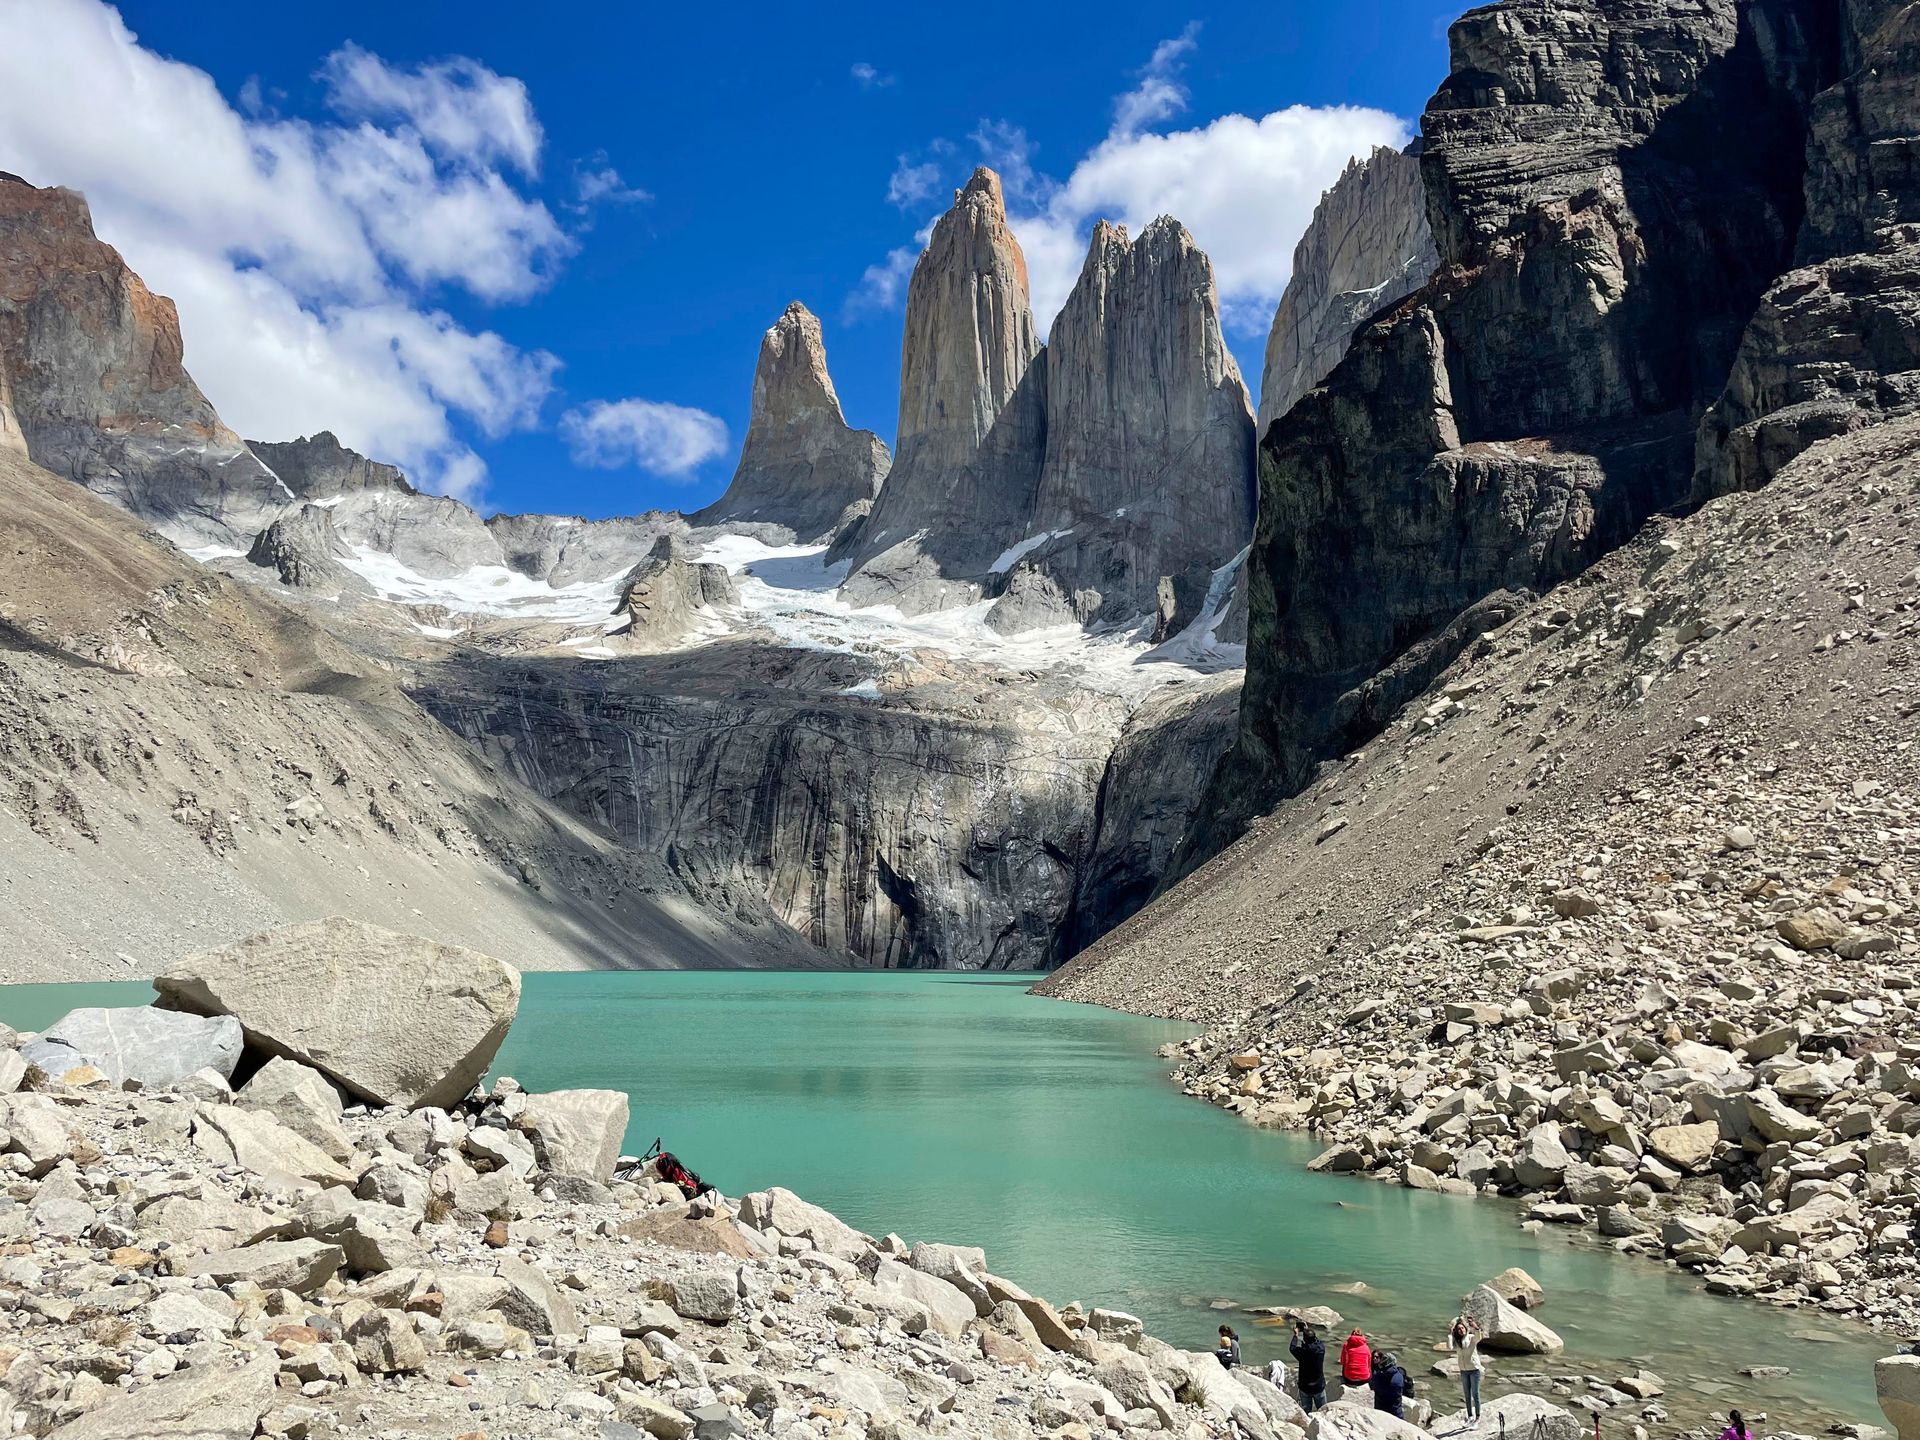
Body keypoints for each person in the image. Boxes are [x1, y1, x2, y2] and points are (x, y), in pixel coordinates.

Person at [1450, 1313, 1485, 1426]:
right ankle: (1470, 1416)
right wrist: (1451, 1333)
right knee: (1467, 1395)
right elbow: (1449, 1346)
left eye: (1462, 1328)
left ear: (1465, 1329)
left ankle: (1478, 1418)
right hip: (1464, 1371)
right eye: (1458, 1329)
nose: (1461, 1330)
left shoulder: (1471, 1338)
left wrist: (1475, 1327)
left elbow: (1479, 1336)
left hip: (1474, 1370)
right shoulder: (1457, 1342)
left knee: (1475, 1394)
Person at [1290, 1320, 1328, 1413]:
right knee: (1323, 1411)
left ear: (1304, 1340)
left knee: (1307, 1412)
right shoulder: (1321, 1349)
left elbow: (1292, 1348)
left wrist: (1295, 1335)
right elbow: (1317, 1342)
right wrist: (1307, 1330)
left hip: (1305, 1387)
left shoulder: (1302, 1353)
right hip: (1319, 1386)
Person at [1370, 1351, 1412, 1418]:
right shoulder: (1399, 1376)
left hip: (1380, 1411)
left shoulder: (1377, 1376)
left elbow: (1373, 1387)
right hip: (1396, 1412)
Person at [1341, 1329, 1373, 1395]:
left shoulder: (1346, 1346)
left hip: (1349, 1379)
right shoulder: (1366, 1347)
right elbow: (1369, 1363)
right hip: (1364, 1379)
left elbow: (1342, 1361)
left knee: (1345, 1364)